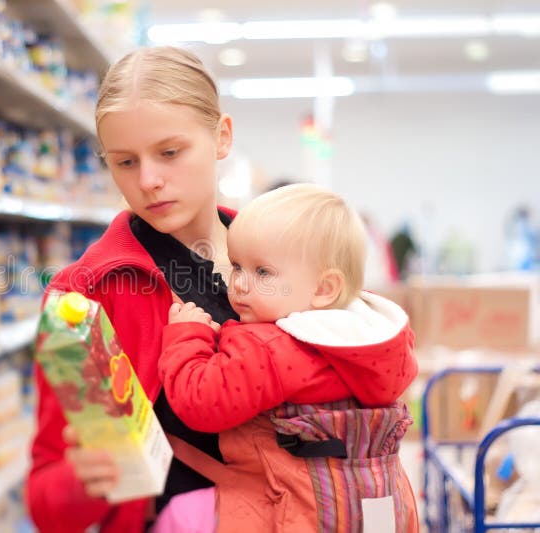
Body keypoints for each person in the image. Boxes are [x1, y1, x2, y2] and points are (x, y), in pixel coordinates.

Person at [27, 46, 237, 532]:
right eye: (124, 162)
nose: (148, 181)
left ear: (221, 136)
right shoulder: (78, 300)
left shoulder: (282, 259)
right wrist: (84, 480)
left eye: (169, 152)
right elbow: (46, 506)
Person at [159, 183, 420, 531]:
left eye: (262, 272)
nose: (238, 284)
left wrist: (187, 334)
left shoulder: (272, 348)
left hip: (291, 512)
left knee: (179, 515)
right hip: (376, 506)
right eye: (236, 265)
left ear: (324, 289)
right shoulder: (373, 338)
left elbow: (200, 402)